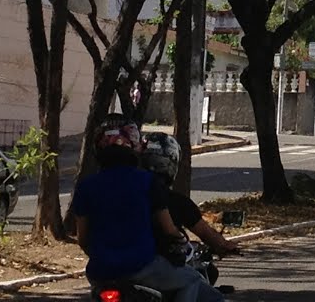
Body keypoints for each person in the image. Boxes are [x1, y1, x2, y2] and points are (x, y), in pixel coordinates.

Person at [71, 115, 223, 302]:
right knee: (192, 280)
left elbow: (83, 239)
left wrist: (104, 257)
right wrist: (181, 243)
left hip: (99, 272)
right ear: (134, 146)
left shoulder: (86, 186)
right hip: (142, 267)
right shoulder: (147, 182)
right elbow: (169, 229)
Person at [141, 131, 239, 257]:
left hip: (115, 262)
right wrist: (225, 245)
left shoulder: (124, 191)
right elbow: (204, 232)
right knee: (196, 278)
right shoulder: (174, 201)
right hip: (154, 264)